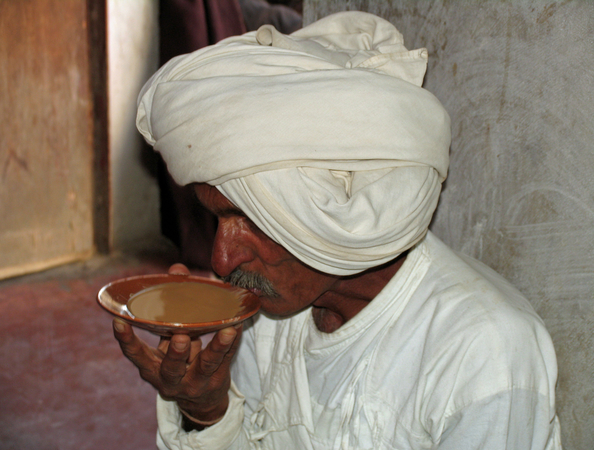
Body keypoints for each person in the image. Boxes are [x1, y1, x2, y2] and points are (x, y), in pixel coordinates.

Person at [113, 11, 562, 449]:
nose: (221, 260)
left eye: (249, 219)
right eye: (216, 219)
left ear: (337, 214)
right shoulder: (264, 315)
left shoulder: (482, 353)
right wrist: (206, 409)